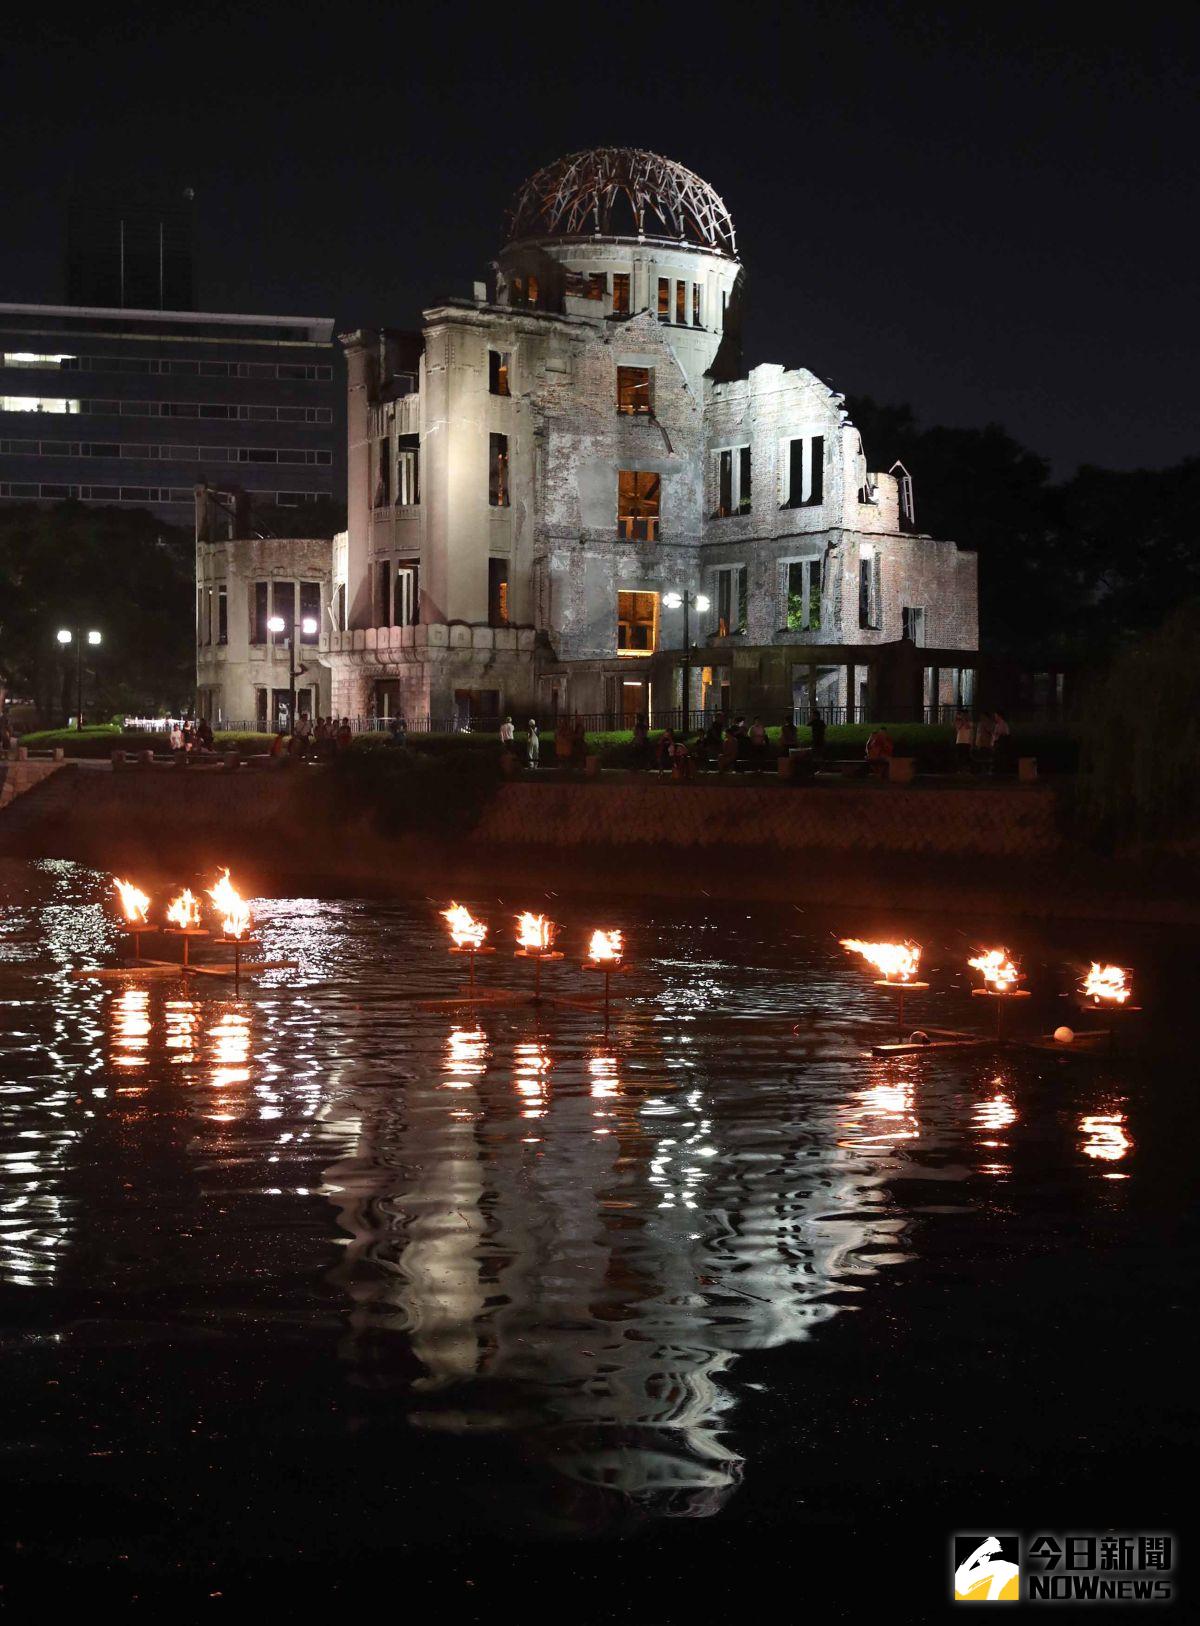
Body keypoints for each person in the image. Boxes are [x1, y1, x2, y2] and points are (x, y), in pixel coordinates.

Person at [974, 710, 995, 774]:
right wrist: (976, 742)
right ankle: (982, 770)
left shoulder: (988, 723)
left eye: (983, 716)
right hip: (980, 744)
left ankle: (987, 770)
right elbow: (978, 734)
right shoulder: (980, 723)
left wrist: (986, 725)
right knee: (981, 757)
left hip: (986, 743)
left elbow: (990, 731)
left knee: (986, 757)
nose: (981, 717)